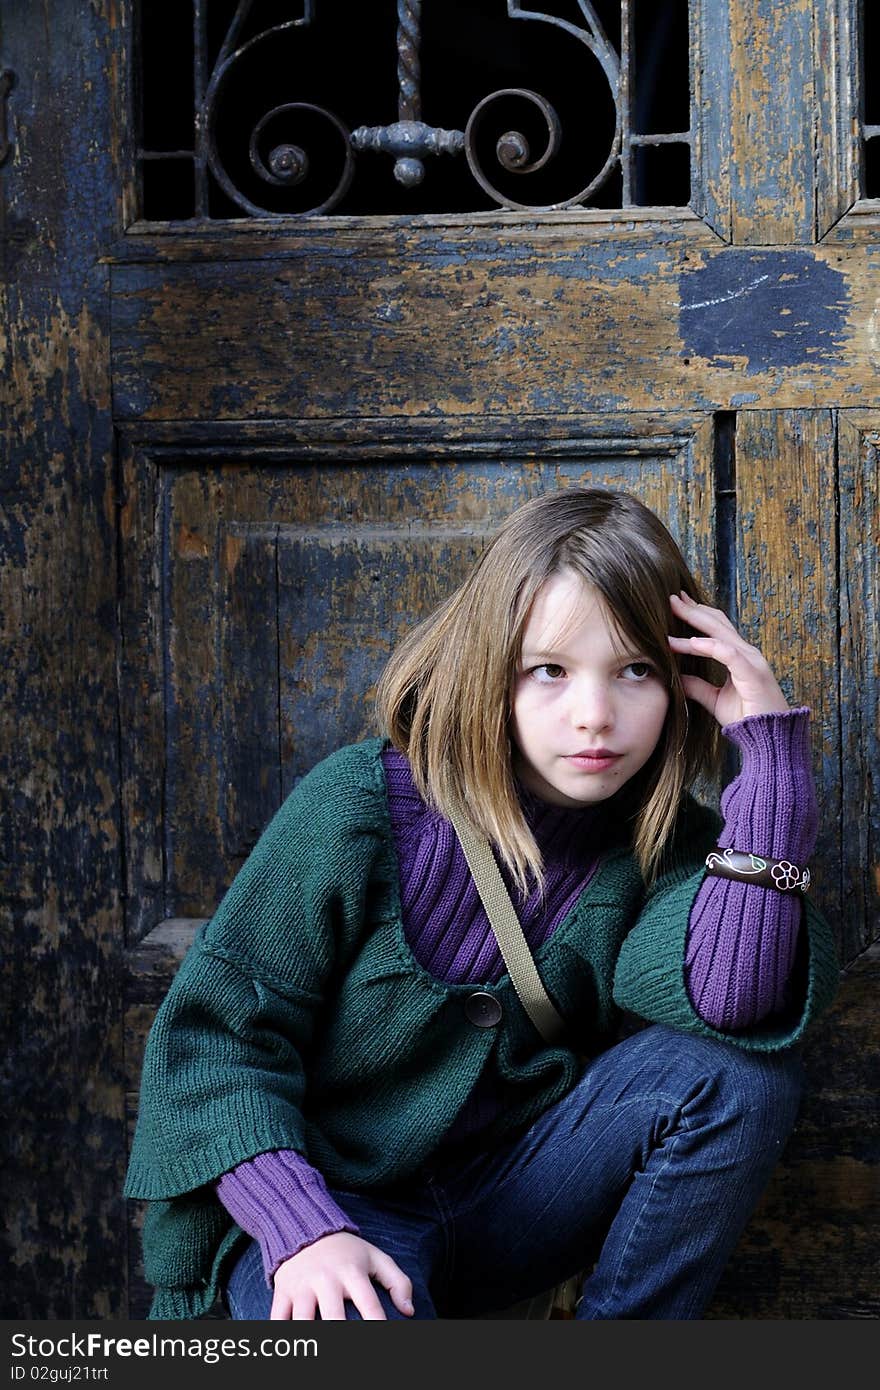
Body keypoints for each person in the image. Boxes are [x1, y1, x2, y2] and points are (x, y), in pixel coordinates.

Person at [124, 488, 839, 1321]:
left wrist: (773, 777)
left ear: (686, 680)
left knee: (740, 1076)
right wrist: (301, 1228)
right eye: (550, 671)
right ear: (489, 667)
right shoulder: (362, 808)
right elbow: (214, 1043)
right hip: (336, 1213)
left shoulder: (668, 845)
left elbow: (733, 1004)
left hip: (518, 1200)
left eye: (636, 670)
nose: (595, 717)